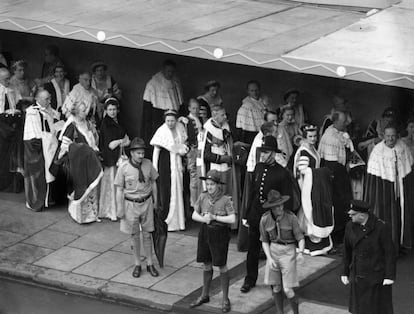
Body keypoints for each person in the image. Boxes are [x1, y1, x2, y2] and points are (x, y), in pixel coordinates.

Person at [241, 136, 293, 293]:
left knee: (275, 250)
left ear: (272, 153)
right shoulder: (258, 167)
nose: (262, 155)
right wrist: (246, 214)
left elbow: (287, 198)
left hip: (272, 216)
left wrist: (283, 219)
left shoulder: (282, 173)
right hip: (256, 213)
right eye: (261, 152)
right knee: (253, 248)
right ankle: (250, 279)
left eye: (265, 152)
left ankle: (276, 282)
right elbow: (252, 192)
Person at [190, 170, 236, 313]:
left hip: (219, 233)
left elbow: (232, 219)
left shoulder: (225, 199)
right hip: (205, 232)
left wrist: (215, 217)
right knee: (206, 263)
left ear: (218, 185)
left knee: (221, 265)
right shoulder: (203, 196)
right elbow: (194, 214)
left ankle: (225, 299)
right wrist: (204, 219)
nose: (209, 187)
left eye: (212, 184)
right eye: (208, 184)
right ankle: (205, 294)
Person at [115, 137, 159, 278]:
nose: (141, 156)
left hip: (146, 202)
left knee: (148, 234)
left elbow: (153, 183)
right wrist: (119, 208)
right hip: (130, 204)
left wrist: (156, 202)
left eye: (142, 153)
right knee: (134, 235)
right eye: (138, 153)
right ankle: (137, 263)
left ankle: (150, 263)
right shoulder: (124, 167)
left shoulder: (148, 164)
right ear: (132, 153)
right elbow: (119, 189)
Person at [364, 124, 413, 252]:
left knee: (399, 215)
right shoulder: (377, 151)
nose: (390, 139)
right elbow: (373, 180)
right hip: (384, 191)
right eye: (388, 136)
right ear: (383, 136)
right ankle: (388, 248)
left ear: (397, 136)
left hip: (400, 190)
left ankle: (400, 244)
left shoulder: (403, 147)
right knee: (386, 218)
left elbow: (409, 169)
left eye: (393, 136)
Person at [341, 200, 396, 314]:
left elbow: (389, 253)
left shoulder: (381, 227)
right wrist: (344, 272)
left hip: (375, 276)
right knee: (358, 309)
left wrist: (389, 276)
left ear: (362, 215)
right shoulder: (349, 226)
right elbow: (347, 251)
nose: (350, 215)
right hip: (357, 274)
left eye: (353, 214)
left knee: (375, 309)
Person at [56, 102, 102, 224]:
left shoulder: (88, 124)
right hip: (78, 164)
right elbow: (64, 147)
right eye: (82, 110)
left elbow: (94, 140)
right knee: (80, 188)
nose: (85, 112)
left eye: (86, 109)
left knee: (92, 188)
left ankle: (92, 214)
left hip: (90, 161)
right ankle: (79, 216)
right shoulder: (71, 126)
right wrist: (80, 149)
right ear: (75, 112)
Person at [260, 190, 304, 314]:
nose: (280, 207)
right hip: (273, 250)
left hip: (288, 251)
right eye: (277, 206)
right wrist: (269, 258)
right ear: (272, 207)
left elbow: (300, 238)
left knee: (288, 289)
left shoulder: (291, 218)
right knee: (276, 286)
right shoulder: (265, 219)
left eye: (281, 204)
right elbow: (264, 240)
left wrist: (300, 252)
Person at [201, 104, 239, 225]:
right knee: (216, 194)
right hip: (215, 168)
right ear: (214, 115)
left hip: (227, 168)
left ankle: (228, 222)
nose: (225, 117)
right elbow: (205, 154)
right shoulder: (208, 130)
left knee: (228, 194)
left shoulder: (226, 127)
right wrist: (222, 158)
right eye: (222, 115)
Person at [151, 109, 188, 231]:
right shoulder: (161, 131)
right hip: (165, 164)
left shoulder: (180, 128)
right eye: (168, 121)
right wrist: (155, 168)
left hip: (176, 162)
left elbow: (183, 144)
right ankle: (164, 220)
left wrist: (181, 150)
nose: (170, 123)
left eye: (172, 120)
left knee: (178, 189)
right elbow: (156, 151)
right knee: (165, 191)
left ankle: (177, 222)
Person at [318, 111, 353, 239]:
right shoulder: (330, 137)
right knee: (338, 204)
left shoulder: (337, 132)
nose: (346, 123)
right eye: (343, 121)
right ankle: (337, 235)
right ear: (336, 122)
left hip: (339, 171)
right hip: (335, 174)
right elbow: (332, 163)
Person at [23, 90, 60, 211]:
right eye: (46, 99)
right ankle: (37, 201)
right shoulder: (32, 113)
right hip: (38, 149)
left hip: (50, 146)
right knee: (39, 174)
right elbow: (33, 135)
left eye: (50, 98)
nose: (49, 101)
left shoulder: (49, 109)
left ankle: (48, 199)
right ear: (38, 99)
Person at [99, 98, 130, 221]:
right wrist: (121, 141)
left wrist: (121, 142)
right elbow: (110, 144)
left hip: (120, 156)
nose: (112, 112)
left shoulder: (120, 121)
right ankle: (110, 210)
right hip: (110, 158)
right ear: (106, 110)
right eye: (110, 110)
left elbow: (128, 139)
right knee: (112, 184)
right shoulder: (105, 124)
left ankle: (121, 210)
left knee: (121, 184)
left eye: (114, 109)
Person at [142, 60, 184, 146]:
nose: (170, 74)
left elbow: (180, 103)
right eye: (168, 71)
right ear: (163, 70)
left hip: (173, 116)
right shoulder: (153, 83)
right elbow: (147, 110)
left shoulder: (176, 82)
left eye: (172, 71)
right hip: (157, 116)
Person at [0, 67, 23, 191]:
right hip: (1, 125)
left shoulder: (12, 90)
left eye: (9, 78)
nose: (9, 81)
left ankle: (7, 183)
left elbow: (17, 103)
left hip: (11, 124)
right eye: (5, 79)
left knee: (10, 155)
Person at [180, 99, 203, 208]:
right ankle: (194, 203)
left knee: (200, 175)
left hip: (201, 151)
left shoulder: (201, 119)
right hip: (192, 152)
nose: (196, 110)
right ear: (189, 108)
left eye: (197, 108)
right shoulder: (185, 121)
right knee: (193, 177)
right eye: (193, 108)